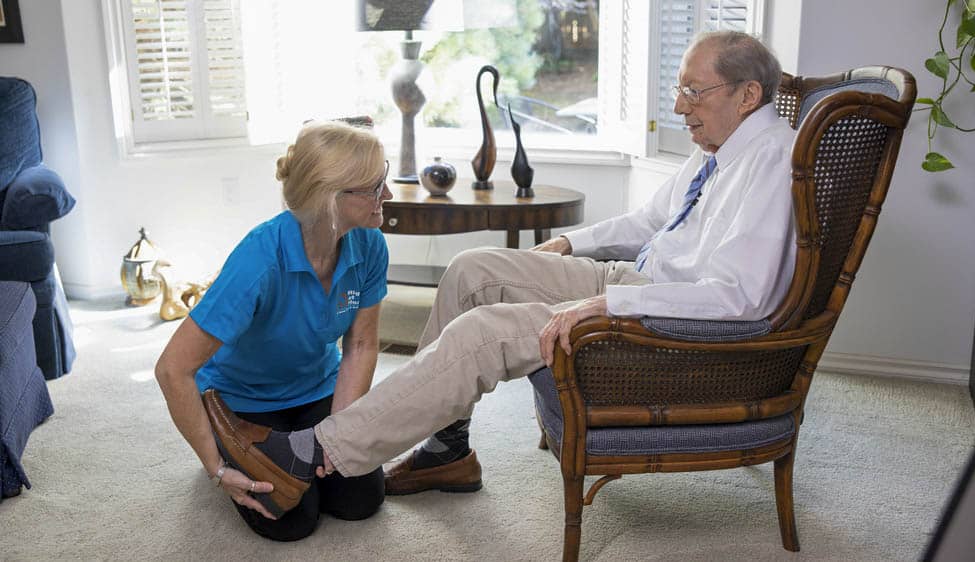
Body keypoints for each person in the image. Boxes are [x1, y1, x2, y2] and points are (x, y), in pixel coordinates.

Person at [202, 29, 797, 512]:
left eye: (694, 92)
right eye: (679, 88)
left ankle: (310, 452)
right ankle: (446, 450)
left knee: (482, 335)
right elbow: (649, 221)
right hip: (632, 282)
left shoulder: (772, 162)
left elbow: (738, 298)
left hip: (666, 322)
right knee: (470, 271)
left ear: (748, 95)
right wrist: (569, 242)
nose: (678, 106)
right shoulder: (719, 150)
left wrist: (604, 305)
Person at [154, 120, 394, 541]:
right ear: (330, 198)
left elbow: (360, 344)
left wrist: (339, 435)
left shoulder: (369, 244)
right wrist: (217, 467)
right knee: (291, 521)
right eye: (375, 187)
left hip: (317, 387)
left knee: (360, 500)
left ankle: (295, 452)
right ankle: (235, 443)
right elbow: (172, 369)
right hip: (244, 397)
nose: (387, 196)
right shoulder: (259, 260)